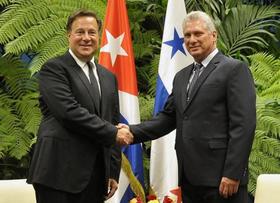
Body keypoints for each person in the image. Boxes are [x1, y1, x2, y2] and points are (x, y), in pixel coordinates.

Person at [123, 11, 256, 203]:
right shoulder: (181, 77)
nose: (192, 40)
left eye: (198, 33)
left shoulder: (234, 69)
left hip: (222, 180)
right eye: (187, 35)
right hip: (189, 179)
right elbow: (167, 119)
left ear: (213, 35)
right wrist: (131, 132)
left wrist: (233, 173)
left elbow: (244, 125)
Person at [27, 9, 133, 203]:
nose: (86, 38)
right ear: (69, 35)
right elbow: (68, 112)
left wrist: (112, 170)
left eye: (92, 32)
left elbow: (113, 121)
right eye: (80, 32)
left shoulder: (108, 77)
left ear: (99, 36)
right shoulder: (54, 68)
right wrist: (112, 132)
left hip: (95, 177)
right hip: (57, 175)